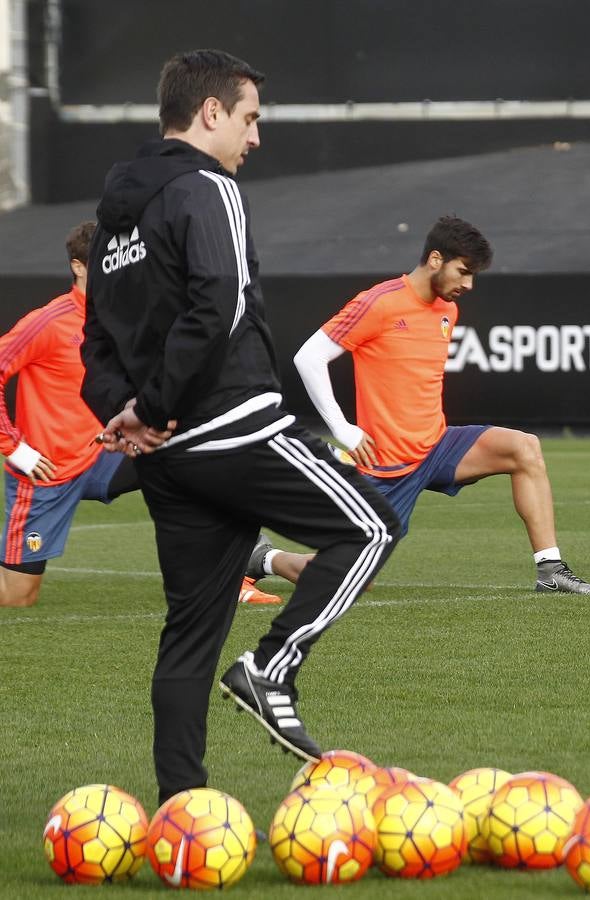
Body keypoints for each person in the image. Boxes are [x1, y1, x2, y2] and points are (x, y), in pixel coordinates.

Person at [82, 49, 399, 804]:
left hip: (166, 458)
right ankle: (271, 669)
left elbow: (94, 339)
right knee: (371, 528)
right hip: (234, 427)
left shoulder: (114, 213)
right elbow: (218, 305)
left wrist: (128, 416)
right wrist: (153, 407)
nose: (255, 138)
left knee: (190, 635)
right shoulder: (206, 187)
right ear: (211, 112)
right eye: (250, 118)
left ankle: (182, 810)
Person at [287, 216, 590, 595]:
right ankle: (263, 558)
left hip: (436, 447)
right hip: (388, 464)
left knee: (524, 448)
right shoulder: (379, 302)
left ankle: (550, 571)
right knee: (352, 580)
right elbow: (308, 357)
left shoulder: (447, 310)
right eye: (463, 272)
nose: (468, 285)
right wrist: (342, 429)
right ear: (435, 259)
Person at [0, 223, 281, 607]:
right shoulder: (49, 323)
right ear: (79, 267)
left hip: (106, 454)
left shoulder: (128, 318)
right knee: (17, 598)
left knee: (199, 465)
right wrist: (14, 447)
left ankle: (234, 576)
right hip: (48, 467)